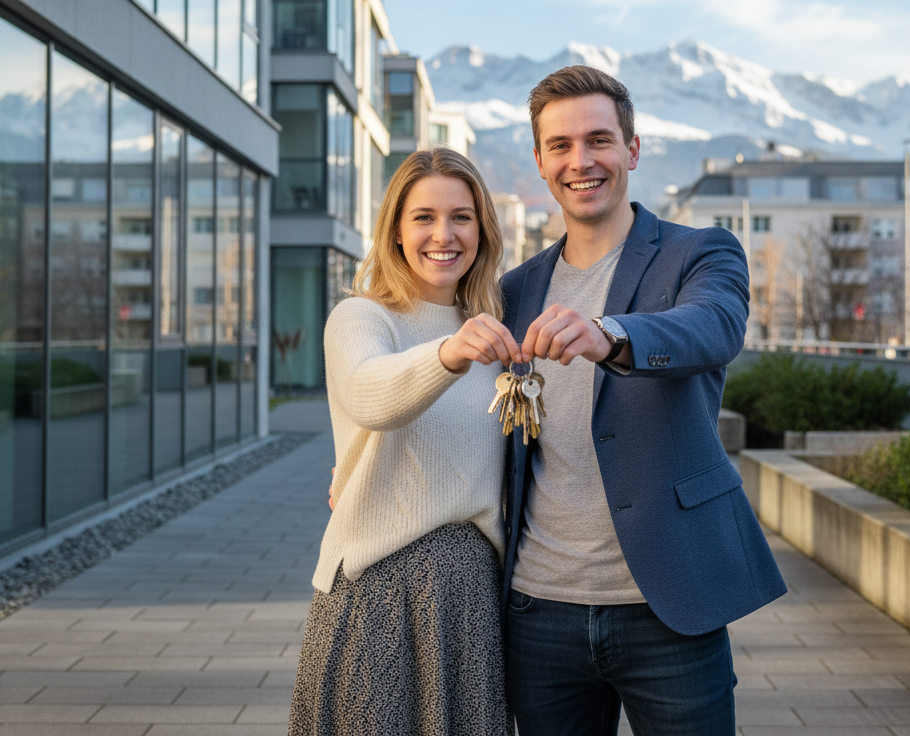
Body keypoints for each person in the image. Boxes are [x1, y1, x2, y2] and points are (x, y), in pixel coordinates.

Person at [499, 64, 787, 735]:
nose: (581, 161)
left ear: (632, 149)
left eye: (599, 140)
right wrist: (370, 459)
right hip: (538, 612)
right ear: (541, 161)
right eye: (561, 146)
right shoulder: (513, 290)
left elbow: (713, 328)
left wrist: (611, 334)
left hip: (669, 606)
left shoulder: (700, 253)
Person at [289, 147, 519, 736]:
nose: (443, 234)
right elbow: (370, 395)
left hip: (469, 602)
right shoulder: (363, 318)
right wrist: (450, 353)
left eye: (461, 216)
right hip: (378, 594)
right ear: (395, 229)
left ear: (482, 228)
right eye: (423, 217)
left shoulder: (496, 323)